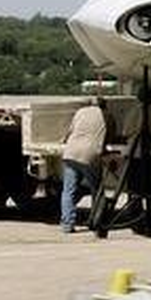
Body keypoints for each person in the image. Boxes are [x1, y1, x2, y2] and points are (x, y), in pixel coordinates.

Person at [60, 98, 109, 233]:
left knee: (68, 191)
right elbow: (111, 134)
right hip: (90, 155)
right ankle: (95, 221)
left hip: (70, 152)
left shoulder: (80, 112)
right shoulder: (106, 115)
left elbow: (70, 131)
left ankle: (67, 224)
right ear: (104, 106)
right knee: (97, 190)